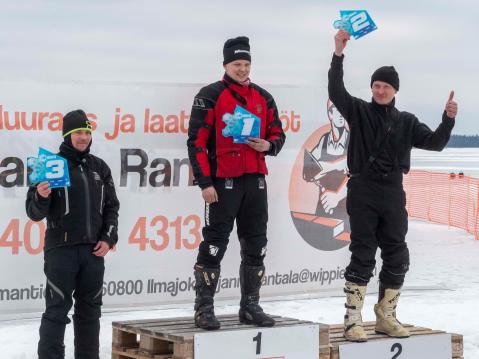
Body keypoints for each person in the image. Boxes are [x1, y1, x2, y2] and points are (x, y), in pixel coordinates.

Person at [328, 30, 457, 342]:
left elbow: (436, 143)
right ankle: (352, 320)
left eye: (385, 86)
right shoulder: (358, 110)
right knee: (363, 253)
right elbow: (336, 89)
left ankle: (386, 316)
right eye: (376, 85)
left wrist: (448, 119)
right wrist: (338, 53)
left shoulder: (407, 121)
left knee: (398, 254)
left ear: (395, 90)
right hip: (362, 189)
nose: (380, 90)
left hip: (393, 193)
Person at [187, 36, 285, 330]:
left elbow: (278, 136)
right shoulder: (210, 95)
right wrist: (205, 182)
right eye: (236, 64)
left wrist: (268, 146)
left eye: (246, 64)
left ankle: (250, 306)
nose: (242, 69)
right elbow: (196, 143)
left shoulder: (263, 97)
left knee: (257, 245)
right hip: (222, 184)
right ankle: (204, 309)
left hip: (255, 182)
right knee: (214, 245)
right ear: (225, 65)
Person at [26, 109, 120, 358]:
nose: (84, 137)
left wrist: (108, 237)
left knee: (90, 312)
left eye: (88, 132)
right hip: (61, 252)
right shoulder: (49, 164)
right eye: (79, 132)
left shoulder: (99, 167)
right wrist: (41, 196)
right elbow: (33, 212)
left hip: (93, 252)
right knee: (57, 310)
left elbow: (112, 207)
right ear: (67, 134)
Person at [306, 99, 349, 222]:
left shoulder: (353, 139)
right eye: (337, 110)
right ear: (330, 114)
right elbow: (309, 165)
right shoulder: (324, 140)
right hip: (324, 204)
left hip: (345, 208)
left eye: (343, 110)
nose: (341, 114)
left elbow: (356, 169)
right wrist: (317, 179)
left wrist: (337, 196)